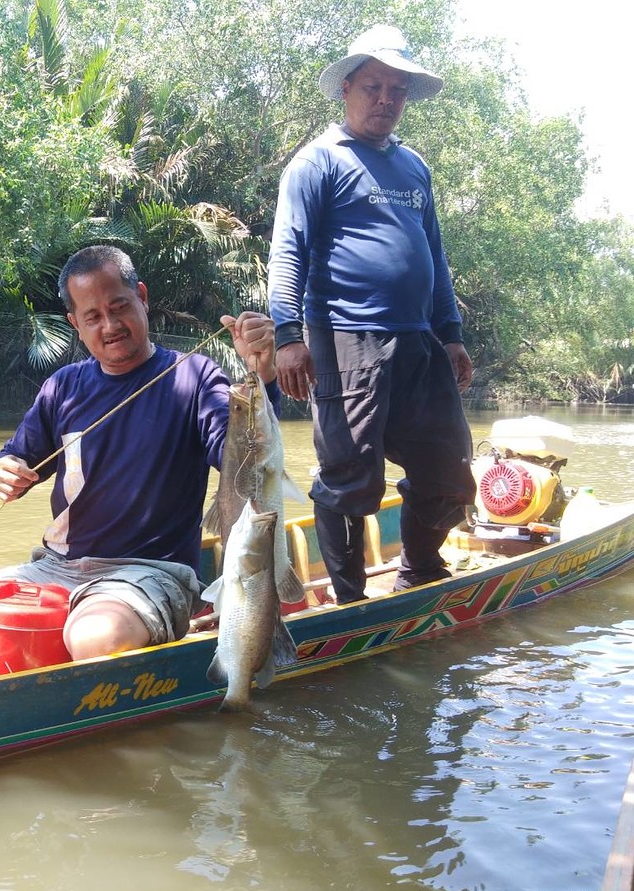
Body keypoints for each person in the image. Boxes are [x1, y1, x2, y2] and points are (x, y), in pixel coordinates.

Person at [0, 244, 279, 662]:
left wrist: (259, 378)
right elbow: (15, 456)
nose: (110, 324)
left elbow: (242, 461)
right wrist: (3, 470)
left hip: (150, 573)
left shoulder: (195, 376)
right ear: (75, 325)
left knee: (95, 638)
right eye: (93, 316)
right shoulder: (63, 387)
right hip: (54, 567)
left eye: (119, 307)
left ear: (142, 296)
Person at [267, 24, 476, 604]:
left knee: (450, 470)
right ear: (347, 90)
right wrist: (288, 335)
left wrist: (451, 334)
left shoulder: (414, 168)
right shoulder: (317, 162)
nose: (386, 99)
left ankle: (419, 573)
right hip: (344, 337)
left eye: (397, 89)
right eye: (373, 86)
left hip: (419, 341)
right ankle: (349, 599)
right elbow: (288, 249)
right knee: (350, 478)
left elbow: (433, 253)